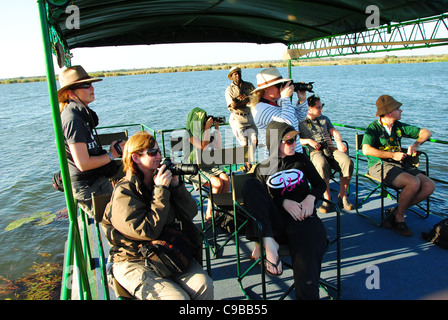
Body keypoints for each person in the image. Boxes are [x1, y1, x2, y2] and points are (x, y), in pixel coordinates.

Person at [101, 131, 213, 300]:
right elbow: (146, 231)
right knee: (177, 298)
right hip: (132, 259)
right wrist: (161, 192)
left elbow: (191, 212)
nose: (158, 156)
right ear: (136, 158)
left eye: (159, 152)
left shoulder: (161, 183)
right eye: (152, 153)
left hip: (164, 250)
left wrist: (176, 186)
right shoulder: (124, 192)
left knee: (204, 285)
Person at [243, 121, 328, 300]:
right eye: (289, 141)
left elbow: (320, 184)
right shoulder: (263, 168)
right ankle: (268, 243)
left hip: (302, 217)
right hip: (277, 223)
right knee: (251, 184)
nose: (294, 143)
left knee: (308, 249)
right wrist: (283, 202)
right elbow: (261, 202)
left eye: (296, 139)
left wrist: (310, 198)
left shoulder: (301, 160)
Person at [362, 95, 435, 236]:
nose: (401, 111)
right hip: (380, 166)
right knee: (413, 183)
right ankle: (400, 219)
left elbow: (426, 132)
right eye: (398, 109)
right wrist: (392, 155)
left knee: (429, 186)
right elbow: (366, 149)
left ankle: (395, 212)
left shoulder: (398, 126)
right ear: (389, 112)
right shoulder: (373, 128)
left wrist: (416, 144)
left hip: (400, 165)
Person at [58, 65, 125, 211]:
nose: (92, 88)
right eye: (86, 85)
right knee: (118, 223)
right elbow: (83, 163)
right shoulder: (73, 119)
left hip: (97, 180)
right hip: (89, 187)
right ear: (71, 94)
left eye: (91, 84)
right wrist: (112, 154)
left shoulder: (80, 114)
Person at [299, 95, 354, 213]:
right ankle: (327, 199)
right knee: (321, 164)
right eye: (318, 107)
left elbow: (333, 131)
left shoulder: (324, 119)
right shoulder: (300, 121)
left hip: (330, 149)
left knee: (347, 162)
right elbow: (295, 139)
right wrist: (308, 141)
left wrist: (338, 142)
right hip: (314, 151)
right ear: (309, 109)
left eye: (321, 106)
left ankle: (343, 196)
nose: (321, 109)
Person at [250, 67, 308, 157]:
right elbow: (287, 125)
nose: (282, 88)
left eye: (282, 84)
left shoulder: (278, 102)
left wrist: (302, 100)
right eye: (278, 85)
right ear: (266, 88)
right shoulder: (261, 109)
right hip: (278, 161)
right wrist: (285, 98)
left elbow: (301, 117)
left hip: (294, 155)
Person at [185, 107, 230, 221]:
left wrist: (216, 129)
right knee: (217, 183)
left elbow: (219, 147)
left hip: (208, 166)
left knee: (226, 179)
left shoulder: (207, 133)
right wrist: (206, 129)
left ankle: (220, 209)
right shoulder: (189, 134)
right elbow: (203, 147)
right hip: (193, 168)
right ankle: (209, 212)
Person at [225, 66, 258, 147]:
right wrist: (246, 101)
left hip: (250, 116)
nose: (238, 76)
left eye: (239, 73)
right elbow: (233, 106)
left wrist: (240, 101)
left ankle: (250, 158)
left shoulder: (249, 86)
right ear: (231, 76)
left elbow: (257, 99)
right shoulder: (229, 90)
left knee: (255, 141)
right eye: (235, 74)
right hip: (237, 118)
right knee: (244, 144)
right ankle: (247, 159)